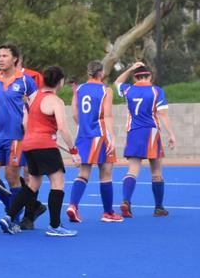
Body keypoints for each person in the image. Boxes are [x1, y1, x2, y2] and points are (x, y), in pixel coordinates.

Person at [0, 44, 43, 229]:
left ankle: (15, 217)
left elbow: (36, 108)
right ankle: (12, 207)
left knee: (12, 176)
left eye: (5, 55)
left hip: (17, 137)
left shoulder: (26, 81)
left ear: (15, 59)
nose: (0, 59)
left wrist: (33, 126)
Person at [4, 66, 79, 236]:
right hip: (45, 144)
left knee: (33, 184)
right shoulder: (56, 101)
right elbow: (63, 128)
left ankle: (9, 216)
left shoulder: (33, 97)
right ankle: (55, 225)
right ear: (60, 82)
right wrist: (73, 151)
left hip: (29, 144)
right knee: (58, 182)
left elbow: (25, 124)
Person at [113, 62, 178, 217]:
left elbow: (117, 82)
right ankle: (159, 207)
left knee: (133, 170)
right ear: (150, 76)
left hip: (133, 132)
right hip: (151, 133)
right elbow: (162, 114)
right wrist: (171, 134)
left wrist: (129, 68)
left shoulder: (128, 89)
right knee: (156, 172)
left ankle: (126, 201)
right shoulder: (156, 91)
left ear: (135, 77)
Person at [69, 61, 121, 222]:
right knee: (105, 173)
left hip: (83, 135)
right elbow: (107, 115)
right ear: (102, 72)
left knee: (83, 173)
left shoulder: (79, 89)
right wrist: (112, 137)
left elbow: (75, 113)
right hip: (100, 136)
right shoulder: (105, 90)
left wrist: (83, 127)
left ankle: (72, 205)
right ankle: (108, 213)